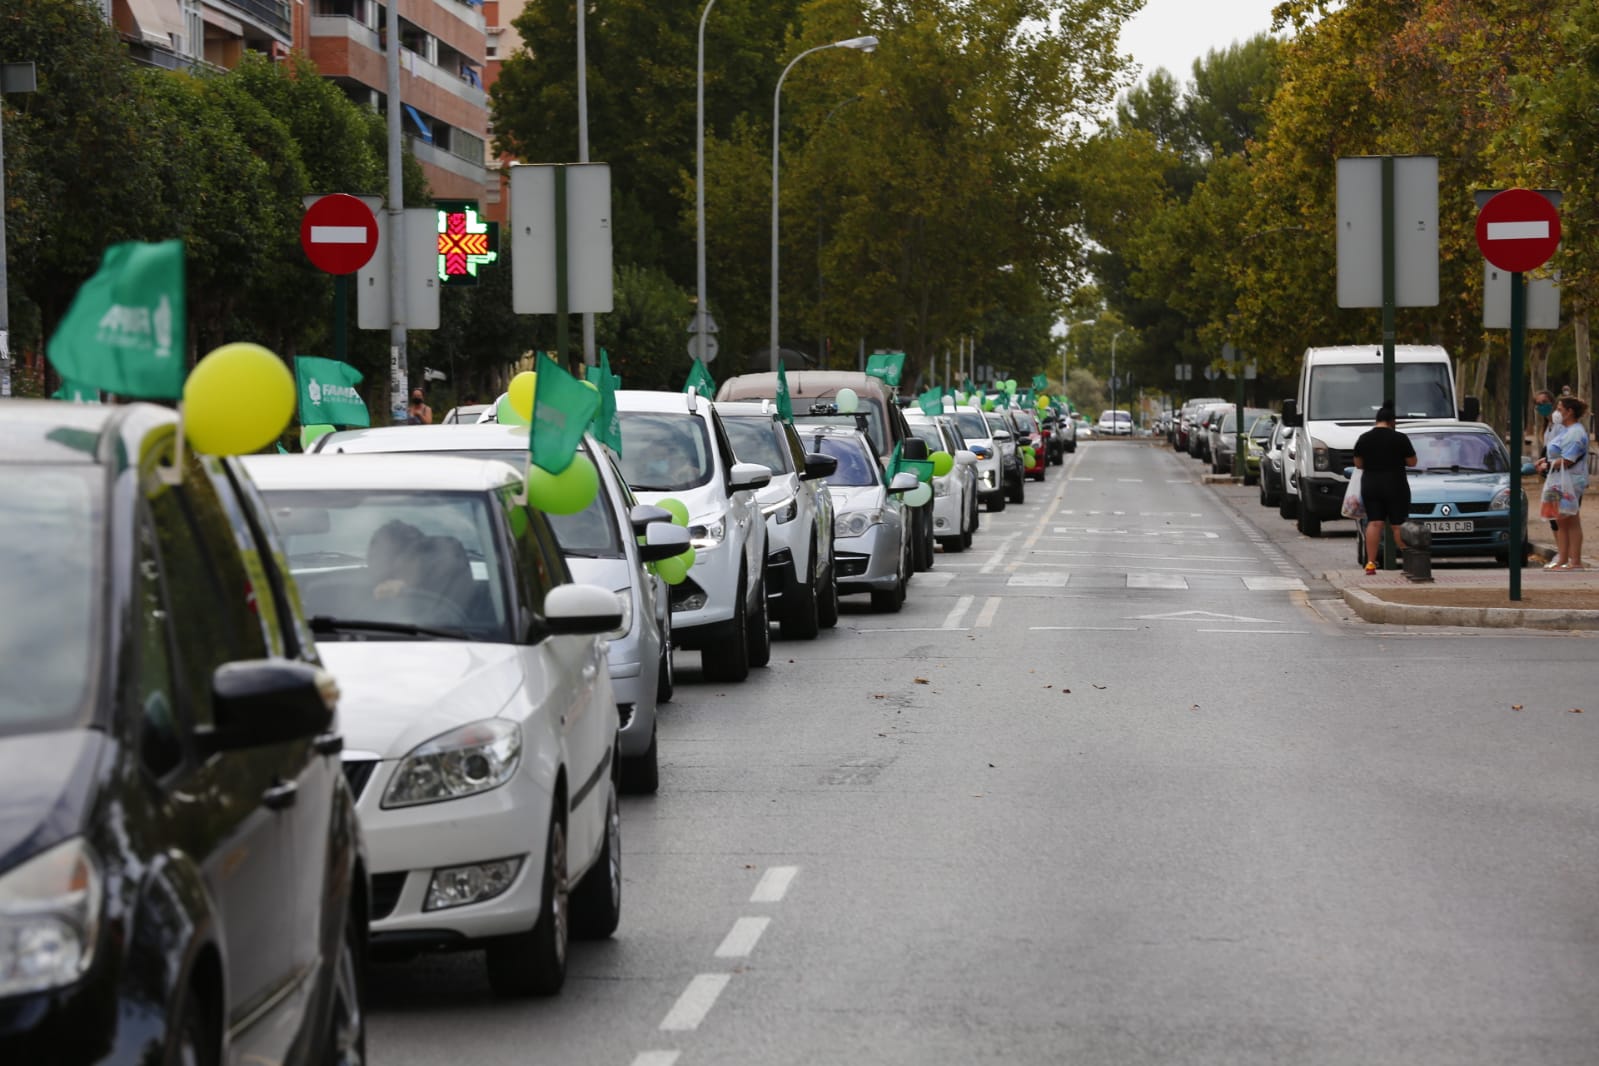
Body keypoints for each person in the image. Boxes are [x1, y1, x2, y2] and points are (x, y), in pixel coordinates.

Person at [1353, 405, 1417, 574]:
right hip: (1395, 485)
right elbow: (1412, 462)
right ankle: (1409, 562)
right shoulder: (1400, 438)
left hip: (1371, 485)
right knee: (1398, 525)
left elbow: (1358, 464)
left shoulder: (1364, 438)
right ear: (1392, 421)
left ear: (1377, 420)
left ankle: (1371, 563)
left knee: (1374, 523)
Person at [1534, 395, 1589, 571]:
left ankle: (1575, 561)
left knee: (1571, 519)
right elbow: (1556, 452)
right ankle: (1562, 559)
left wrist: (1548, 464)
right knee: (1559, 519)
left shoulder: (1576, 433)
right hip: (1556, 480)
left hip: (1570, 481)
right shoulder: (1564, 430)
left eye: (1559, 409)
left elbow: (1568, 459)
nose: (1556, 413)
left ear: (1569, 412)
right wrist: (1544, 460)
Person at [1533, 388, 1562, 565]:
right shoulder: (1547, 427)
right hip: (1551, 477)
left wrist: (1548, 463)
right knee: (1553, 517)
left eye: (1544, 403)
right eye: (1537, 404)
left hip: (1560, 478)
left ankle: (1566, 556)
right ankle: (1561, 554)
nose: (1541, 407)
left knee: (1561, 518)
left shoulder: (1559, 426)